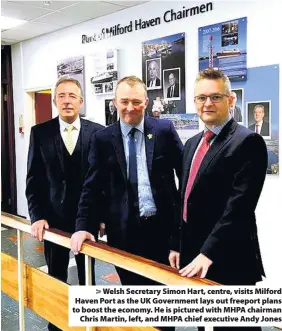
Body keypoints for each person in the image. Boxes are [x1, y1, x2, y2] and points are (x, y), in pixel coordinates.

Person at [169, 68, 267, 331]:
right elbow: (185, 199)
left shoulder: (248, 141)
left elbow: (240, 207)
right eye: (201, 98)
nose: (207, 103)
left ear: (230, 100)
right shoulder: (192, 144)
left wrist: (206, 253)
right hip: (195, 255)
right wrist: (178, 245)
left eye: (215, 97)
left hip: (229, 257)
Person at [71, 75, 183, 288]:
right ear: (115, 103)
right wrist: (83, 225)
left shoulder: (164, 131)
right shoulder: (102, 139)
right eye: (124, 101)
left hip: (163, 232)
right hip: (123, 235)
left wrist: (181, 237)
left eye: (136, 102)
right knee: (132, 299)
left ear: (146, 103)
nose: (130, 107)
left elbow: (185, 180)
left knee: (163, 304)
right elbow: (91, 186)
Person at [26, 77, 104, 331]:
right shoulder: (40, 133)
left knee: (88, 279)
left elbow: (105, 180)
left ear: (81, 101)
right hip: (53, 222)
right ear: (55, 101)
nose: (67, 100)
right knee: (56, 276)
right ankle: (56, 325)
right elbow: (33, 180)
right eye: (62, 96)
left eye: (72, 96)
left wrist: (103, 217)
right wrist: (36, 216)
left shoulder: (99, 132)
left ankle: (90, 325)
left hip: (88, 221)